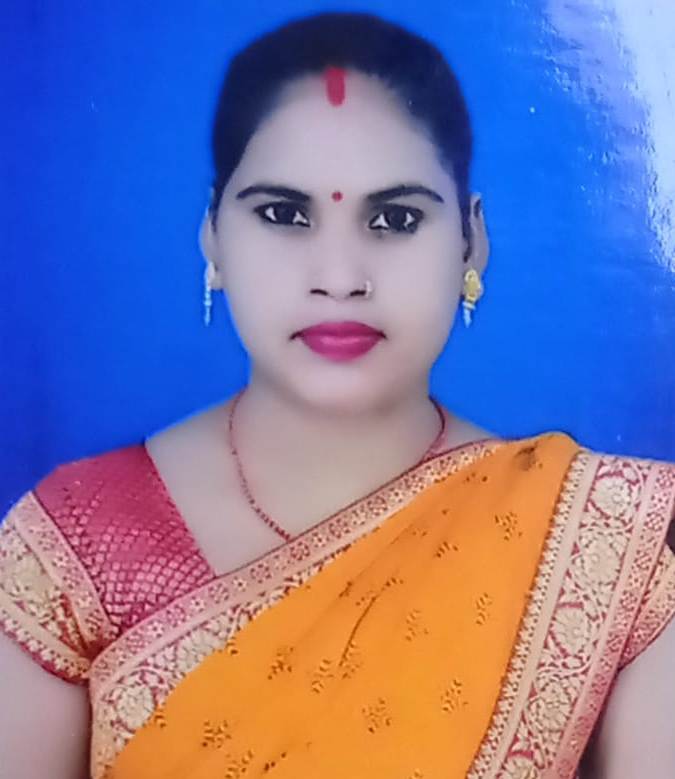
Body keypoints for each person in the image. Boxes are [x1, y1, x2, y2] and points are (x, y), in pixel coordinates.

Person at [1, 11, 673, 779]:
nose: (340, 276)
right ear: (212, 235)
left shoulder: (601, 544)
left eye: (394, 218)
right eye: (284, 214)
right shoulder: (72, 549)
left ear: (470, 241)